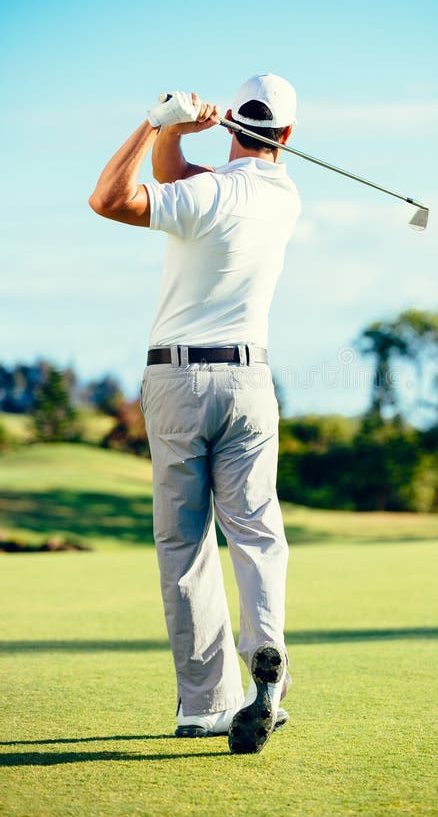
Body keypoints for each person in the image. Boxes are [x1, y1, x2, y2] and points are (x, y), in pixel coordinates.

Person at [89, 74, 300, 755]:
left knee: (185, 542)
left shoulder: (206, 195)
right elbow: (187, 182)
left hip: (180, 381)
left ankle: (209, 703)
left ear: (231, 123)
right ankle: (267, 658)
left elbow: (109, 199)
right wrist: (177, 139)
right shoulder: (282, 198)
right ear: (288, 137)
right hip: (252, 383)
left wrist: (156, 121)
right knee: (256, 530)